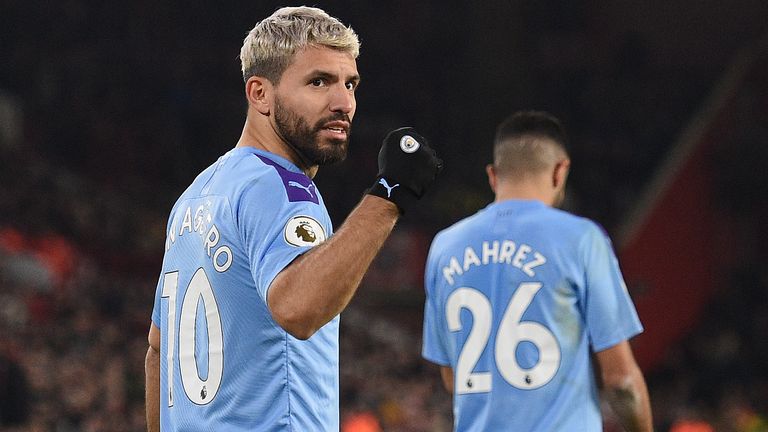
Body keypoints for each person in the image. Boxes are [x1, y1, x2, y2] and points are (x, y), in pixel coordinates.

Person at [144, 6, 442, 431]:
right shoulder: (280, 186)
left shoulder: (196, 195)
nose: (344, 103)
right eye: (319, 81)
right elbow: (298, 308)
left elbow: (158, 352)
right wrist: (388, 197)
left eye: (350, 84)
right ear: (260, 93)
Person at [421, 111, 652, 431]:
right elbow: (621, 380)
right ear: (560, 171)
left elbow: (452, 376)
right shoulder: (581, 239)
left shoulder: (444, 246)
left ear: (493, 175)